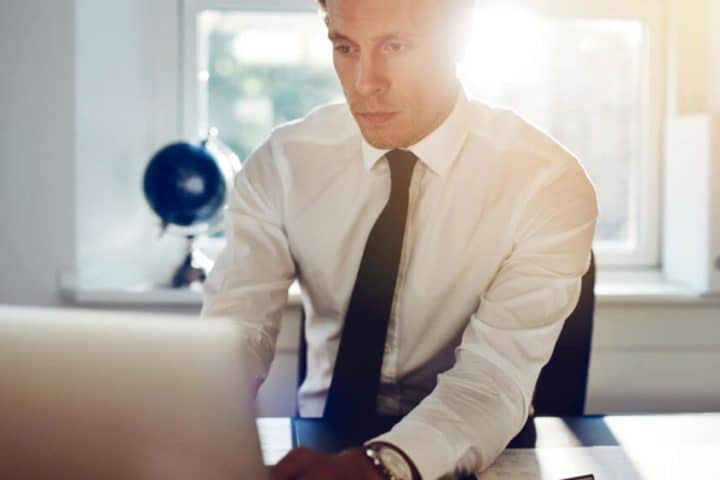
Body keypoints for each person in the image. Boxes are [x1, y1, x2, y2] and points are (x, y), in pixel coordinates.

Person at [201, 0, 599, 478]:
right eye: (346, 48)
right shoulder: (283, 164)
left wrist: (379, 466)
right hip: (322, 441)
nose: (365, 82)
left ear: (459, 39)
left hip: (481, 454)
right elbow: (235, 330)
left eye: (396, 46)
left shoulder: (545, 183)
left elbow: (491, 381)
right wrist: (195, 415)